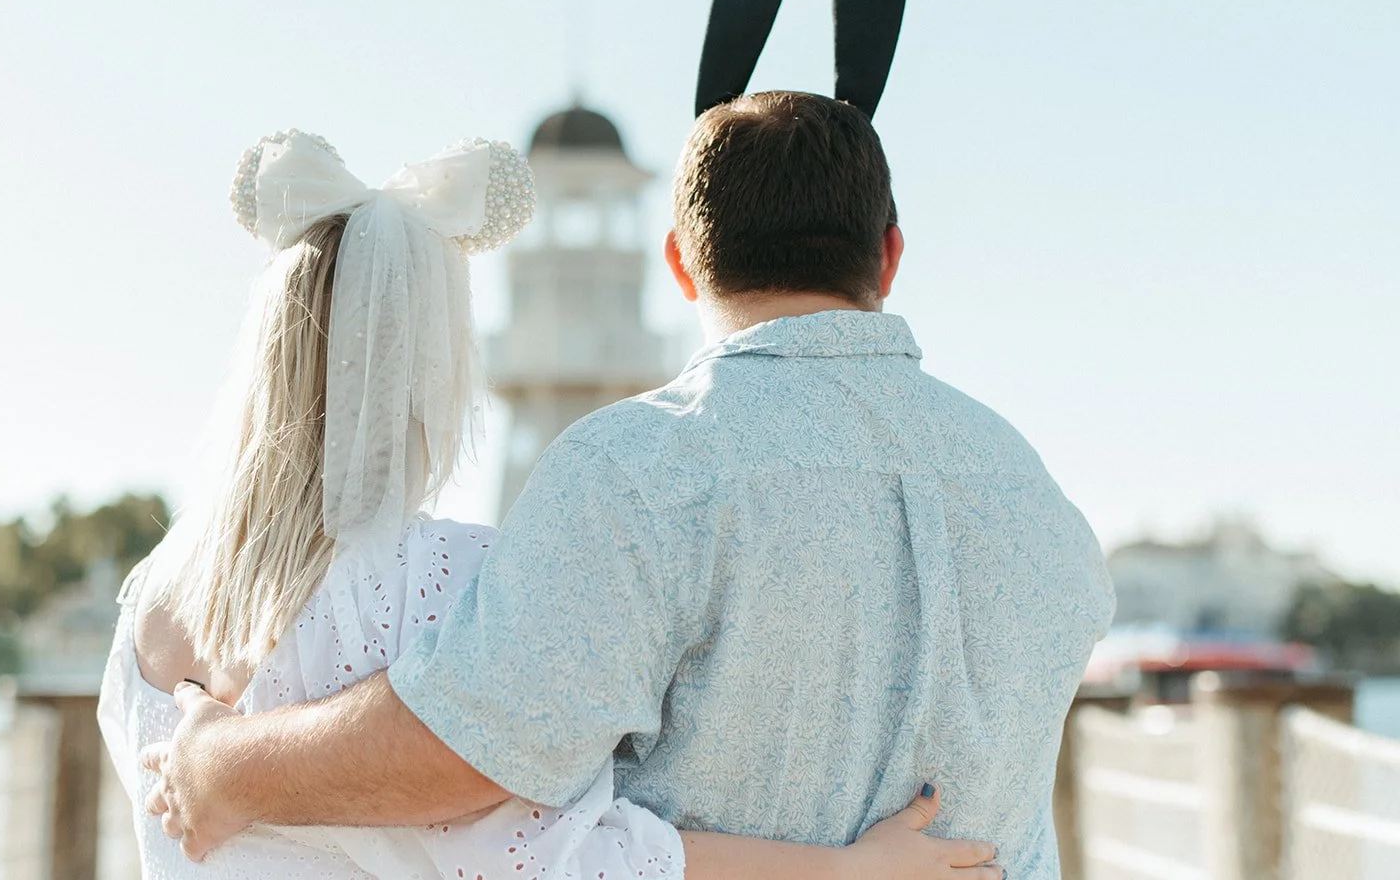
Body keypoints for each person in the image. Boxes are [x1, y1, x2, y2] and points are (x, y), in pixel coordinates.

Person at [141, 92, 1117, 877]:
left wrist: (216, 763)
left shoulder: (642, 466)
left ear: (682, 263)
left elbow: (465, 747)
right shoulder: (1040, 502)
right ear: (889, 257)